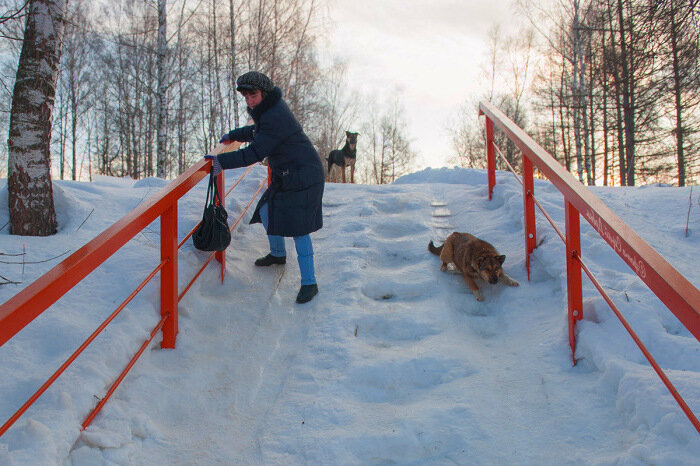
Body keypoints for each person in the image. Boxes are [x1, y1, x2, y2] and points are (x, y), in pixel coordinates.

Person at [204, 71, 324, 304]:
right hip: (287, 173)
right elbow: (257, 132)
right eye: (246, 96)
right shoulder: (267, 110)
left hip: (304, 175)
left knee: (300, 229)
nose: (250, 101)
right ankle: (278, 254)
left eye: (253, 95)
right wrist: (234, 135)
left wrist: (222, 162)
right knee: (269, 209)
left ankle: (310, 283)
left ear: (264, 93)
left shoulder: (274, 114)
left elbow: (256, 152)